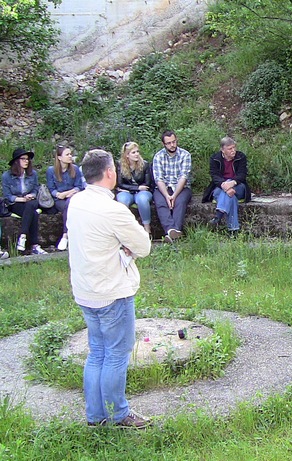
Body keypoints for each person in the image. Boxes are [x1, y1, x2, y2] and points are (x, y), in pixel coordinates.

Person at [67, 148, 152, 428]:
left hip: (85, 289)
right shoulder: (113, 210)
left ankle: (95, 416)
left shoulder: (76, 202)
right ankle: (118, 414)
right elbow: (144, 245)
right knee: (116, 353)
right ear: (110, 173)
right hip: (111, 291)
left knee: (97, 352)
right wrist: (125, 247)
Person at [1, 147, 47, 254]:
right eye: (23, 159)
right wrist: (21, 199)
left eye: (27, 159)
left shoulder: (33, 174)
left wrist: (31, 195)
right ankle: (35, 246)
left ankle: (23, 236)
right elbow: (7, 196)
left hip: (30, 201)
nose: (26, 161)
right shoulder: (7, 176)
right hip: (16, 203)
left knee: (31, 204)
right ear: (16, 161)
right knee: (33, 213)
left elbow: (36, 189)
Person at [201, 136, 251, 232]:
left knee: (229, 192)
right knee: (231, 197)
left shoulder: (241, 157)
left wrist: (231, 183)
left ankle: (218, 216)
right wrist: (225, 186)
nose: (233, 151)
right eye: (230, 149)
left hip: (238, 186)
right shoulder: (215, 159)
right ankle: (233, 230)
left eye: (234, 147)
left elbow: (242, 174)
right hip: (220, 188)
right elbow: (215, 176)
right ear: (223, 150)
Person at [152, 130, 192, 242]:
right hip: (163, 187)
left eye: (174, 142)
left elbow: (183, 177)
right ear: (164, 144)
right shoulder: (158, 156)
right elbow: (159, 178)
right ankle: (172, 231)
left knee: (180, 202)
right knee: (160, 203)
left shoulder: (185, 155)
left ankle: (172, 234)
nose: (172, 145)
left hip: (182, 187)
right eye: (169, 143)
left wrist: (174, 196)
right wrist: (166, 195)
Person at [46, 145, 85, 251]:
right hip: (59, 199)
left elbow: (79, 186)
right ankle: (67, 236)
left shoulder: (75, 169)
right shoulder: (51, 170)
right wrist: (59, 194)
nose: (70, 156)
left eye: (70, 154)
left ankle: (65, 235)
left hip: (72, 197)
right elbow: (51, 189)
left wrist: (69, 192)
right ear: (59, 157)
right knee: (69, 206)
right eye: (67, 154)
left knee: (71, 204)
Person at [116, 141, 154, 235]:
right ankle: (125, 230)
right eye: (133, 152)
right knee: (122, 200)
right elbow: (120, 184)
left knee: (142, 199)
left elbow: (147, 183)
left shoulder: (145, 164)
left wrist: (134, 188)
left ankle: (147, 229)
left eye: (137, 151)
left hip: (143, 192)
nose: (137, 154)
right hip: (127, 192)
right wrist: (137, 188)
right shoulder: (120, 165)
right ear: (127, 155)